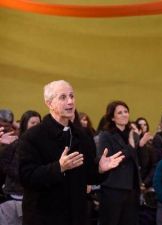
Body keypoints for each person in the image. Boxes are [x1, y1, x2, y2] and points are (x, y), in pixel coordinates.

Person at [18, 80, 124, 225]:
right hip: (44, 217)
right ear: (49, 103)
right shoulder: (33, 136)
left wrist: (99, 169)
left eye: (72, 96)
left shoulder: (83, 136)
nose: (70, 102)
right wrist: (58, 167)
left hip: (76, 216)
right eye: (63, 97)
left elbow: (88, 176)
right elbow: (26, 177)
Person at [97, 100, 142, 225]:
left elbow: (141, 160)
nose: (124, 115)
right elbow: (109, 160)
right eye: (120, 113)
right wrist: (131, 147)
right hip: (113, 188)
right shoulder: (106, 135)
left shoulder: (133, 134)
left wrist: (141, 144)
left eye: (126, 112)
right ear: (112, 117)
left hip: (132, 188)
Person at [0, 110, 41, 225]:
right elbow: (4, 164)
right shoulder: (15, 142)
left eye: (38, 123)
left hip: (34, 199)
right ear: (25, 124)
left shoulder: (43, 145)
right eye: (33, 123)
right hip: (14, 197)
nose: (36, 126)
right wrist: (26, 174)